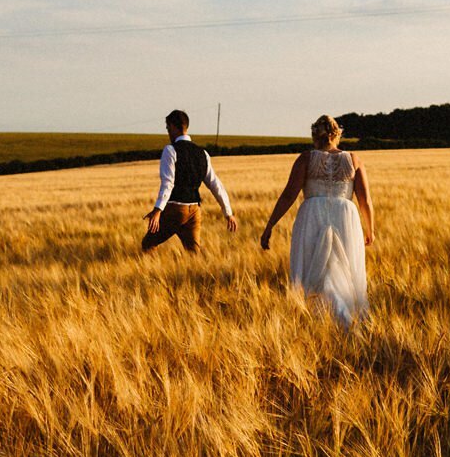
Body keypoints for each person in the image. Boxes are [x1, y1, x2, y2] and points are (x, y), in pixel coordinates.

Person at [259, 115, 373, 325]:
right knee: (342, 267)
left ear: (315, 135)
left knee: (315, 269)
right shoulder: (354, 159)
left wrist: (270, 225)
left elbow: (288, 195)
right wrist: (370, 229)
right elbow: (365, 199)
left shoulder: (306, 159)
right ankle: (345, 319)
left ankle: (319, 319)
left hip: (312, 215)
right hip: (345, 216)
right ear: (337, 134)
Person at [142, 109, 238, 254]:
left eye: (168, 128)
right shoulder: (202, 153)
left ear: (174, 127)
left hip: (176, 209)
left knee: (148, 244)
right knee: (193, 254)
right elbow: (215, 185)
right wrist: (228, 213)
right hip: (194, 211)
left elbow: (168, 184)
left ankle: (156, 275)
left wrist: (158, 210)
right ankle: (194, 276)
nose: (168, 133)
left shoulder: (170, 150)